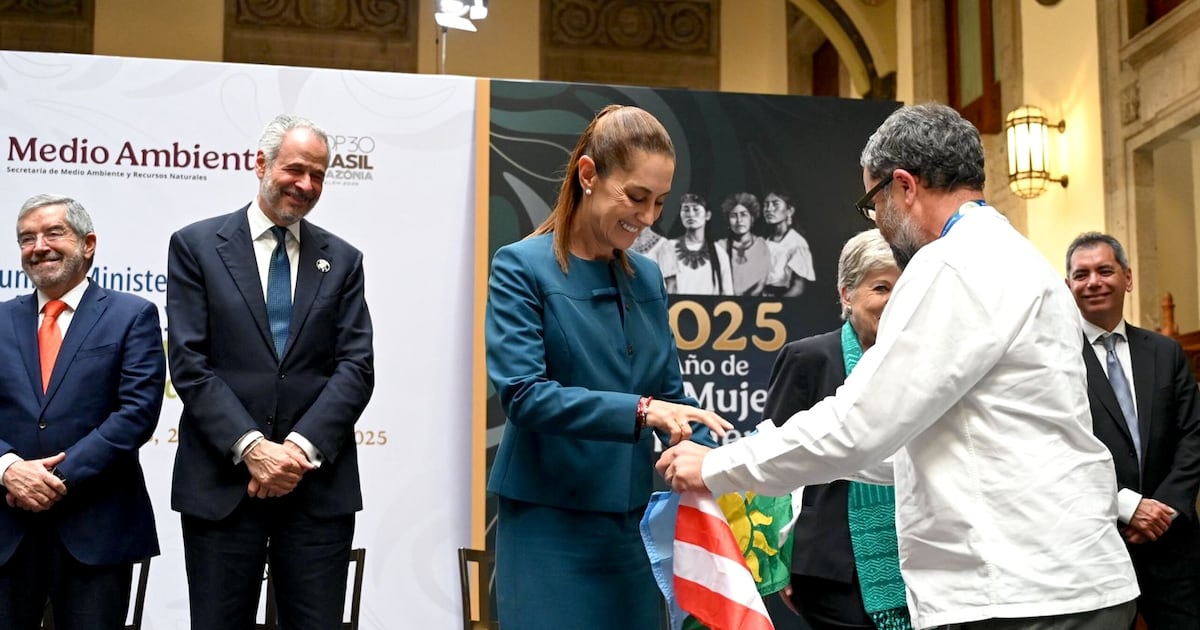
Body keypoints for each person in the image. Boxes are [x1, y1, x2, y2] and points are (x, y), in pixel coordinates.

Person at [657, 103, 1140, 629]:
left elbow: (860, 424)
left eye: (873, 203)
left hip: (1020, 593)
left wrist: (719, 465)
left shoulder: (950, 263)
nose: (879, 224)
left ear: (904, 186)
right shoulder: (1020, 257)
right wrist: (756, 462)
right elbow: (908, 448)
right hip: (1057, 579)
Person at [484, 104, 732, 630]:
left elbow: (670, 395)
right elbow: (524, 395)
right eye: (636, 197)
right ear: (588, 175)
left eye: (659, 202)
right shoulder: (520, 265)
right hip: (548, 524)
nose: (648, 218)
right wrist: (643, 411)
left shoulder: (647, 276)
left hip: (633, 528)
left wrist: (716, 449)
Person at [167, 114, 374, 630]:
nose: (306, 185)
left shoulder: (343, 260)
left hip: (315, 489)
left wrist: (297, 451)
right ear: (261, 164)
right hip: (222, 487)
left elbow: (356, 367)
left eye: (318, 175)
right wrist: (253, 448)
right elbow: (190, 363)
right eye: (295, 169)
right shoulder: (196, 246)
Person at [0, 194, 164, 629]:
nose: (39, 247)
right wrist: (8, 467)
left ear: (88, 244)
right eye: (27, 238)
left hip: (96, 528)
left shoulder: (132, 315)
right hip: (7, 528)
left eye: (53, 233)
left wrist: (53, 478)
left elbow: (136, 413)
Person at [766, 228, 907, 630]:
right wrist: (780, 557)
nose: (894, 301)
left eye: (903, 289)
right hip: (829, 567)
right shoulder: (808, 358)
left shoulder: (925, 362)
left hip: (918, 559)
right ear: (847, 295)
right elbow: (775, 460)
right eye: (881, 287)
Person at [1066, 232, 1200, 628]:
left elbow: (1192, 435)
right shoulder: (1057, 360)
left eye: (1105, 271)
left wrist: (1165, 509)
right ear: (1068, 286)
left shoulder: (1165, 351)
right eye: (1081, 274)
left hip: (1172, 544)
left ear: (1127, 278)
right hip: (1097, 542)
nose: (1093, 282)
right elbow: (1059, 447)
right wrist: (1126, 506)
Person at [655, 192, 733, 295]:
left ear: (708, 215)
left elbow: (727, 294)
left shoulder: (719, 253)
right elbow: (667, 289)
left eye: (696, 210)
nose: (690, 214)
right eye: (686, 210)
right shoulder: (669, 247)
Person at [715, 192, 786, 296]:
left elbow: (763, 282)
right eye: (733, 216)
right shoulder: (719, 247)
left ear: (752, 218)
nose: (739, 221)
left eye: (744, 215)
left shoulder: (764, 246)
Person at [761, 191, 816, 297]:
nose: (769, 209)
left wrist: (776, 304)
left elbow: (798, 288)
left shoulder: (797, 243)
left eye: (775, 204)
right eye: (766, 205)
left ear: (789, 211)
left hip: (782, 300)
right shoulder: (764, 241)